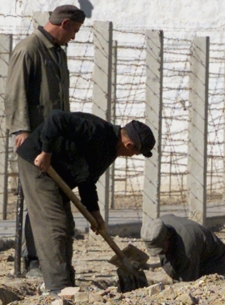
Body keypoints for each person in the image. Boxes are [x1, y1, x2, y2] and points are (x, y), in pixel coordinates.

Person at [17, 111, 156, 295]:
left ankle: (67, 282)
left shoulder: (108, 150)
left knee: (67, 226)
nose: (131, 156)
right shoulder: (96, 131)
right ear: (129, 145)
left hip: (58, 172)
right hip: (37, 163)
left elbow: (87, 180)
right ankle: (57, 286)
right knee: (54, 225)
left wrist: (94, 213)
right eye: (136, 153)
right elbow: (56, 118)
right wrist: (46, 152)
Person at [5, 4, 86, 277]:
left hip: (55, 143)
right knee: (40, 204)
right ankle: (35, 262)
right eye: (74, 30)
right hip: (34, 141)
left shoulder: (58, 53)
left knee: (52, 203)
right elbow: (15, 92)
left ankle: (51, 262)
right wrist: (21, 130)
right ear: (64, 24)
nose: (74, 36)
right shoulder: (29, 49)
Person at [140, 215, 225, 282]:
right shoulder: (159, 228)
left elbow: (188, 284)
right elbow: (167, 260)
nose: (160, 252)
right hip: (193, 251)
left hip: (215, 261)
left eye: (161, 248)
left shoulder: (187, 247)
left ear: (168, 236)